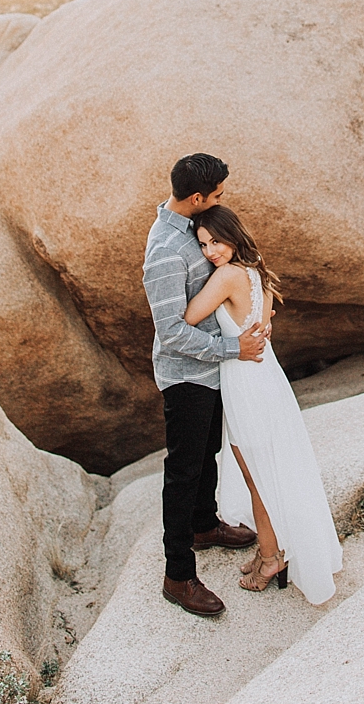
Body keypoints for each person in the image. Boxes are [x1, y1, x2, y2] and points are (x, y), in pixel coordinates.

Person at [183, 204, 341, 604]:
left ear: (233, 235)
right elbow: (265, 315)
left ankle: (272, 558)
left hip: (246, 384)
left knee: (257, 477)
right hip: (265, 378)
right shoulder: (258, 272)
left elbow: (188, 317)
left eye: (215, 241)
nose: (210, 252)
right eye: (202, 245)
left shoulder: (227, 276)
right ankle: (272, 550)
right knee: (267, 472)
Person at [143, 152, 267, 618]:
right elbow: (171, 332)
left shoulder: (192, 228)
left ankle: (203, 524)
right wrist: (234, 350)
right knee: (182, 472)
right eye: (216, 195)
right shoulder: (165, 252)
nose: (221, 200)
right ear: (196, 198)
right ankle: (178, 575)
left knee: (208, 454)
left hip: (213, 371)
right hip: (186, 377)